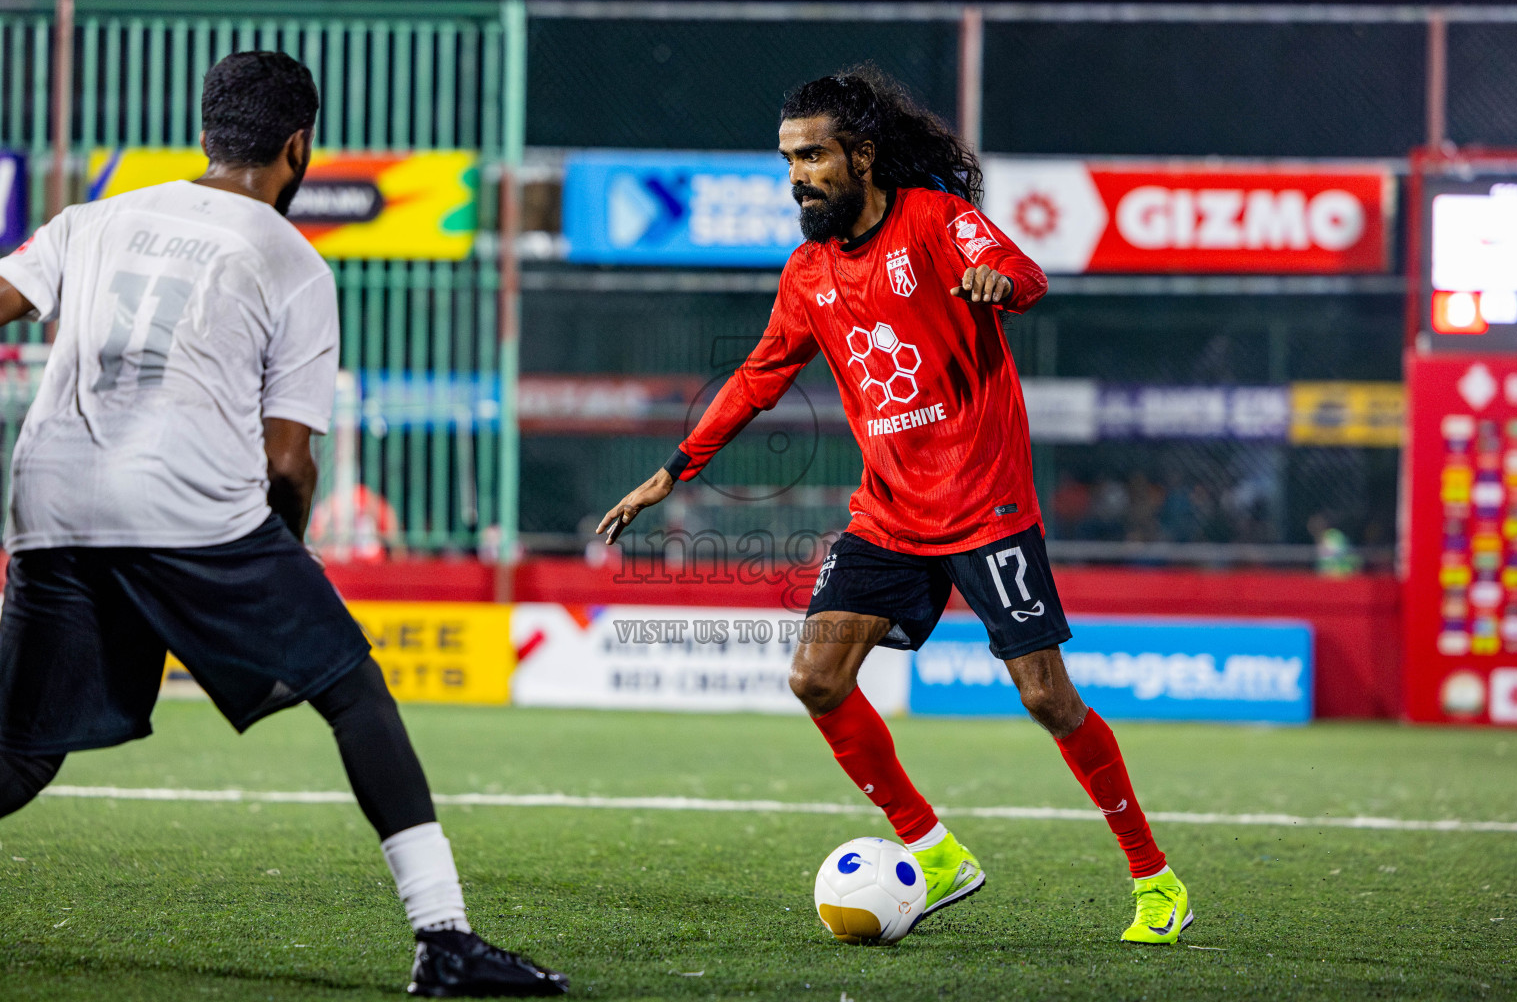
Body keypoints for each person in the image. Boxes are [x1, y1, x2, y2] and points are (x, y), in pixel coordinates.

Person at [0, 51, 567, 997]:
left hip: (48, 506)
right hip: (189, 512)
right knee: (352, 688)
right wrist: (281, 565)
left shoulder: (91, 220)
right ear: (298, 147)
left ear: (205, 133)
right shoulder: (287, 257)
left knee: (19, 749)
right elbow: (288, 462)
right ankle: (445, 941)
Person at [598, 66, 1192, 945]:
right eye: (787, 160)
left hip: (987, 507)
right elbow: (760, 376)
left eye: (813, 156)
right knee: (815, 677)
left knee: (1045, 696)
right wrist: (674, 470)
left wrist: (1000, 284)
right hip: (887, 516)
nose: (796, 176)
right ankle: (933, 849)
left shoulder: (936, 223)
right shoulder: (807, 274)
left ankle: (1155, 878)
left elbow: (1018, 269)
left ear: (862, 156)